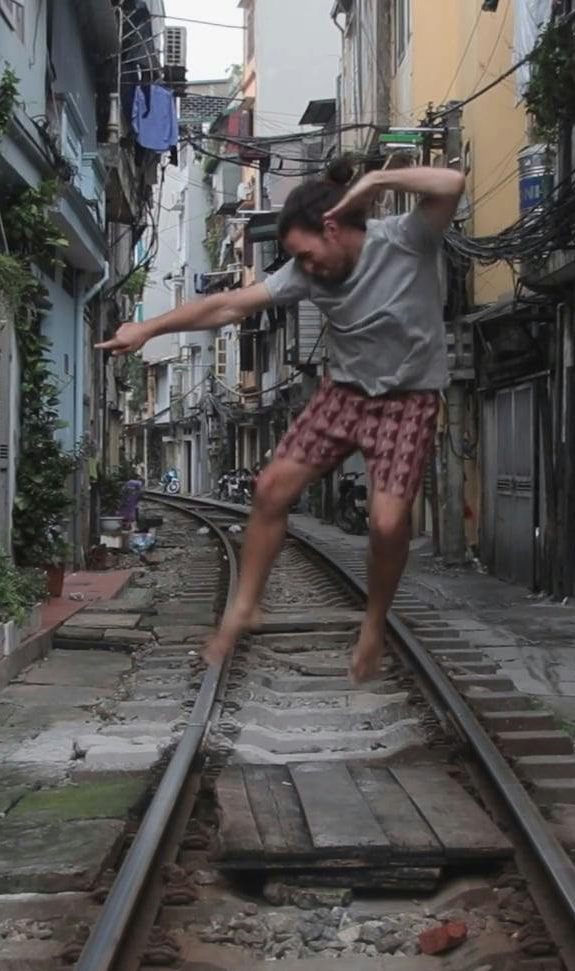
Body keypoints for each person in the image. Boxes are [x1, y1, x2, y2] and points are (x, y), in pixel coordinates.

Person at [99, 157, 464, 682]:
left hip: (409, 399)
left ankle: (375, 622)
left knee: (387, 522)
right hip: (344, 394)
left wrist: (378, 180)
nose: (305, 267)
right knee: (270, 487)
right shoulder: (305, 272)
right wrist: (148, 328)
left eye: (306, 254)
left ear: (333, 229)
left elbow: (451, 183)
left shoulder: (406, 238)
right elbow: (229, 306)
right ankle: (246, 606)